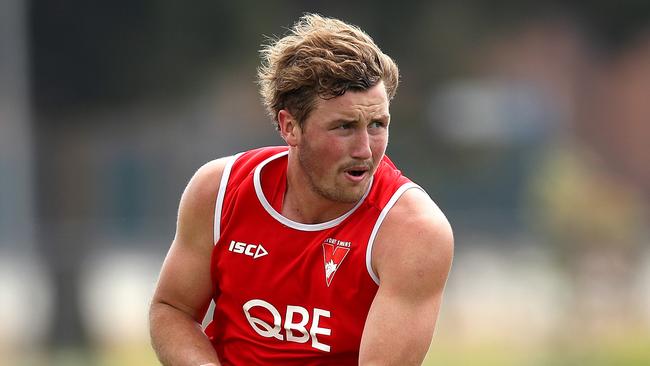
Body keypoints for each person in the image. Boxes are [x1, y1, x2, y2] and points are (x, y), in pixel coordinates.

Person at [149, 13, 453, 366]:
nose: (365, 149)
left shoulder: (412, 231)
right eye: (344, 127)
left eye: (377, 124)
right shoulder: (218, 190)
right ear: (289, 126)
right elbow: (172, 309)